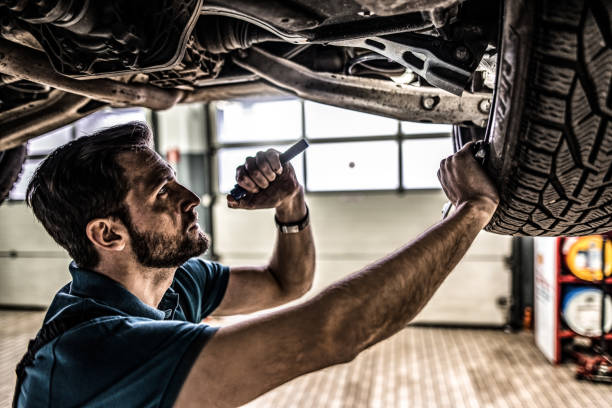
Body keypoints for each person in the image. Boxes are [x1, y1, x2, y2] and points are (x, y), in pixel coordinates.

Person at [16, 121, 498, 407]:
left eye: (175, 181)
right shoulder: (90, 352)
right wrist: (470, 209)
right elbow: (336, 331)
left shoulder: (174, 282)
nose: (192, 198)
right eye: (163, 192)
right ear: (107, 234)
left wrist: (291, 202)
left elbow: (286, 283)